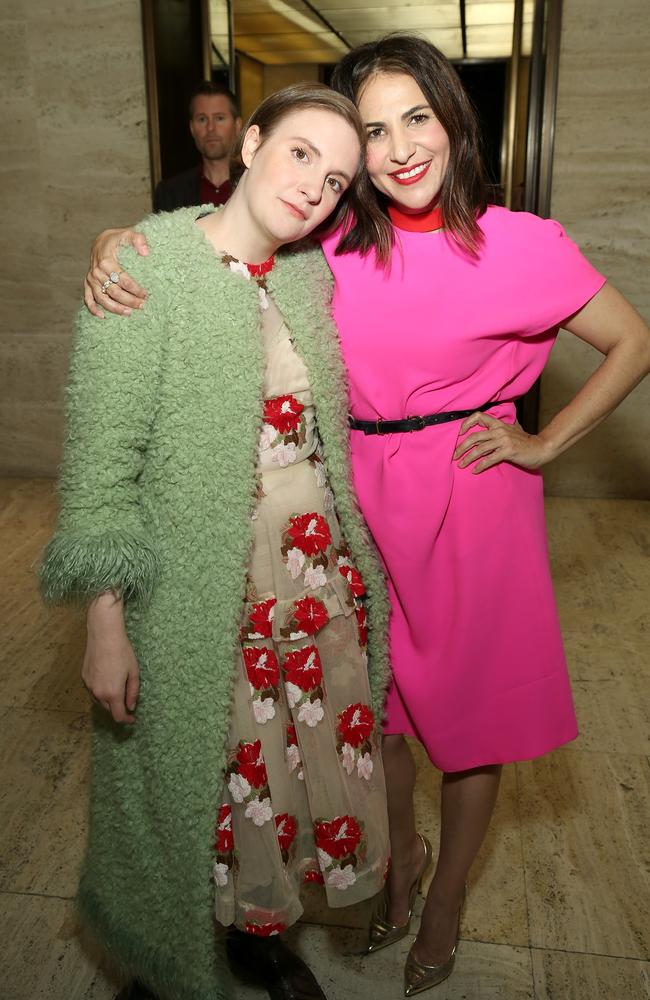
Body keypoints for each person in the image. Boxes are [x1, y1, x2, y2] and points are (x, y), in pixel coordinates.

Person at [83, 33, 650, 999]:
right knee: (375, 713)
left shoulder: (524, 242)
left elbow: (632, 341)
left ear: (453, 121)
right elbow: (229, 239)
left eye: (416, 118)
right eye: (373, 132)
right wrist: (117, 242)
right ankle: (398, 863)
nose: (397, 150)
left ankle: (444, 905)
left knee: (469, 729)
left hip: (471, 497)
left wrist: (543, 443)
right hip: (356, 494)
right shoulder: (335, 242)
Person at [41, 83, 393, 1000]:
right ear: (250, 144)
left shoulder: (313, 270)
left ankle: (261, 934)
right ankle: (165, 948)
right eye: (302, 153)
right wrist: (104, 622)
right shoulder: (146, 268)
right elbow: (101, 463)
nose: (317, 188)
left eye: (338, 178)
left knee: (282, 771)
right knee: (195, 781)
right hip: (206, 584)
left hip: (313, 579)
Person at [154, 81, 242, 212]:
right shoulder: (169, 193)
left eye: (219, 118)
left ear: (237, 125)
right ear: (192, 128)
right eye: (202, 119)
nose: (210, 128)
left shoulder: (257, 185)